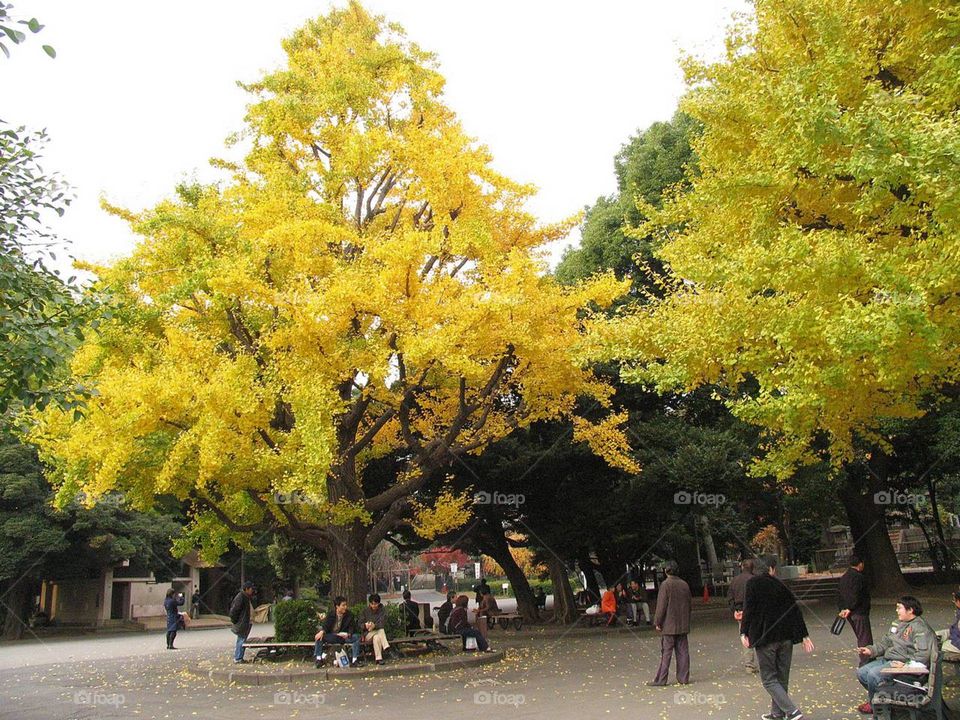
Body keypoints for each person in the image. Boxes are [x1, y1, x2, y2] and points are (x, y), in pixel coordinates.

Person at [740, 555, 814, 720]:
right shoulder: (781, 585)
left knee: (768, 679)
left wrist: (743, 631)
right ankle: (777, 713)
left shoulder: (753, 584)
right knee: (782, 677)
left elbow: (749, 609)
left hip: (765, 637)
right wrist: (804, 635)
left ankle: (792, 712)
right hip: (785, 637)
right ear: (772, 568)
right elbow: (794, 610)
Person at [856, 595, 936, 710]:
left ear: (910, 610)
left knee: (873, 675)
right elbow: (886, 641)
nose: (896, 610)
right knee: (862, 673)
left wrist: (906, 665)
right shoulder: (897, 623)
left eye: (899, 608)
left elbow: (923, 656)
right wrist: (871, 650)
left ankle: (876, 706)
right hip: (890, 659)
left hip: (903, 663)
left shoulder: (920, 628)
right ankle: (878, 699)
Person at [648, 560, 692, 686]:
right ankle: (683, 678)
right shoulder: (684, 584)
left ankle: (661, 679)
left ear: (666, 571)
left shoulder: (666, 585)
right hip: (682, 623)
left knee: (666, 652)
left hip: (669, 624)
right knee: (683, 651)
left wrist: (658, 621)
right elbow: (689, 604)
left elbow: (661, 606)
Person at [314, 596, 363, 668]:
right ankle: (318, 659)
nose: (345, 607)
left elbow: (352, 627)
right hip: (332, 636)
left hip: (344, 637)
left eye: (346, 605)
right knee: (319, 637)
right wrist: (322, 631)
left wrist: (348, 634)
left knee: (357, 637)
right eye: (343, 605)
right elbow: (326, 626)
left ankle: (355, 660)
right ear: (337, 606)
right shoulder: (331, 614)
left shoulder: (349, 615)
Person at [729, 558, 758, 673]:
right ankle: (765, 662)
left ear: (742, 567)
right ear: (752, 568)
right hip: (754, 611)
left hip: (740, 611)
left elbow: (730, 597)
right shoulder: (755, 580)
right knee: (758, 634)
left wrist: (734, 610)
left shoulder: (735, 580)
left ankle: (749, 665)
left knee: (745, 637)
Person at [360, 593, 392, 665]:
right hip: (367, 634)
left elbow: (382, 623)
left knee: (377, 637)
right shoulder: (365, 611)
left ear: (379, 603)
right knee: (381, 630)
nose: (374, 605)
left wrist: (374, 626)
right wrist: (366, 625)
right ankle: (386, 646)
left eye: (376, 604)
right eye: (372, 604)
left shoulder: (382, 611)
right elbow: (360, 624)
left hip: (377, 632)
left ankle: (378, 659)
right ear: (370, 603)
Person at [228, 581, 256, 663]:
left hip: (246, 622)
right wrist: (236, 621)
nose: (252, 590)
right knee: (241, 639)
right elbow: (234, 610)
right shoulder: (241, 597)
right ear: (246, 589)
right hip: (242, 623)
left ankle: (239, 657)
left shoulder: (246, 597)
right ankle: (238, 658)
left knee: (242, 640)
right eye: (251, 589)